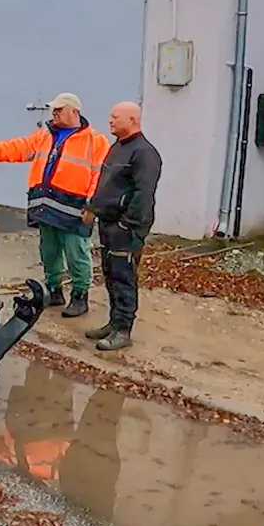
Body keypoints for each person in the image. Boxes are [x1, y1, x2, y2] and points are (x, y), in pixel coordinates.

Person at [0, 92, 110, 317]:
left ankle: (79, 296)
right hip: (47, 206)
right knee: (49, 251)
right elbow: (18, 147)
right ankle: (54, 290)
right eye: (53, 109)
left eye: (58, 110)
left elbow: (99, 175)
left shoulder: (96, 141)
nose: (53, 113)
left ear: (74, 111)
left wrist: (92, 206)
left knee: (76, 253)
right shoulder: (45, 135)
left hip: (75, 209)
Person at [83, 101, 161, 351]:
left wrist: (128, 225)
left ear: (132, 120)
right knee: (111, 275)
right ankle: (114, 322)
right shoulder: (117, 148)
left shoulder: (144, 153)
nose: (110, 121)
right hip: (108, 224)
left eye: (116, 117)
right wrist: (94, 208)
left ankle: (123, 330)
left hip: (125, 230)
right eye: (111, 117)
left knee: (123, 278)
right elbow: (106, 183)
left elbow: (143, 194)